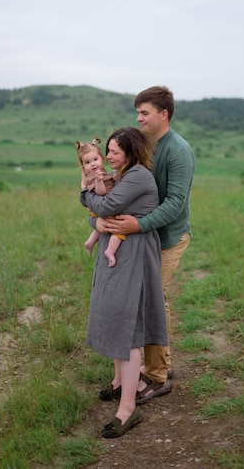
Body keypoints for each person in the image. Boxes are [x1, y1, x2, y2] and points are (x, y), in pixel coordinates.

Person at [98, 86, 195, 404]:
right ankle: (155, 364)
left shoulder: (177, 150)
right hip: (143, 238)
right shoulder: (145, 145)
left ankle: (156, 375)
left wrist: (138, 224)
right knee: (146, 299)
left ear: (163, 114)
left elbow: (176, 204)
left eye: (144, 113)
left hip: (167, 238)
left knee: (152, 299)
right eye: (137, 112)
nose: (138, 118)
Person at [80, 126, 168, 437]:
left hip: (133, 255)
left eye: (115, 151)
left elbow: (103, 206)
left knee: (127, 325)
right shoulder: (122, 175)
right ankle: (123, 383)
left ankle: (128, 410)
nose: (108, 156)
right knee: (115, 318)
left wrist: (86, 194)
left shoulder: (138, 176)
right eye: (109, 150)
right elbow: (99, 215)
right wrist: (97, 220)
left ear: (130, 152)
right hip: (116, 252)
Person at [75, 137, 125, 267]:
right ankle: (110, 251)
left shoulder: (101, 172)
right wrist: (98, 180)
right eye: (87, 162)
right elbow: (101, 192)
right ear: (83, 167)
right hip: (102, 207)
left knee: (102, 226)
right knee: (118, 228)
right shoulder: (92, 177)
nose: (92, 164)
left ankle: (90, 242)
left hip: (99, 208)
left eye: (95, 160)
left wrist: (112, 178)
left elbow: (108, 183)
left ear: (102, 159)